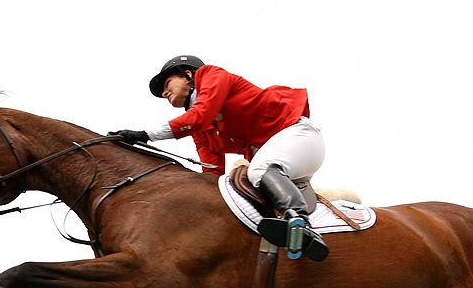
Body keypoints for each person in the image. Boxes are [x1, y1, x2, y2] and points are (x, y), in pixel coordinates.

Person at [110, 55, 329, 262]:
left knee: (258, 170)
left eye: (167, 83)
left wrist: (145, 135)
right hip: (280, 157)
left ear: (188, 74)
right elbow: (212, 174)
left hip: (298, 136)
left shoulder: (211, 75)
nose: (164, 93)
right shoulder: (200, 131)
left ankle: (298, 222)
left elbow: (199, 116)